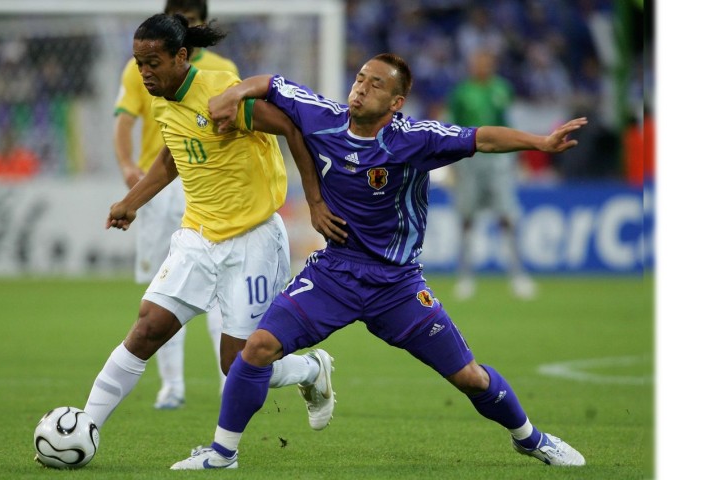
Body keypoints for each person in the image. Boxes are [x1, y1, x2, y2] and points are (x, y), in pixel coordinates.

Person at [170, 53, 587, 469]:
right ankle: (222, 454)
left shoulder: (414, 140)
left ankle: (532, 439)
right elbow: (273, 83)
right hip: (335, 272)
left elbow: (481, 138)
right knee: (258, 347)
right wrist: (237, 92)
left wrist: (540, 142)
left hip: (397, 285)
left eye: (376, 84)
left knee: (470, 377)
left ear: (396, 102)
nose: (361, 88)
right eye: (360, 78)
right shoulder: (324, 117)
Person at [83, 14, 348, 437]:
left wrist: (314, 201)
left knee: (237, 364)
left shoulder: (221, 93)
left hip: (253, 240)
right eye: (138, 63)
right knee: (148, 326)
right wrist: (131, 203)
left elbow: (290, 128)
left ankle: (310, 368)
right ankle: (84, 428)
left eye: (153, 62)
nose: (144, 72)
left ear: (181, 56)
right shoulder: (160, 100)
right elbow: (174, 153)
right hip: (197, 237)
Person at [112, 0, 239, 411]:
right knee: (164, 289)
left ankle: (228, 382)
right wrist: (128, 165)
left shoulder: (221, 70)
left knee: (221, 291)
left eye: (192, 24)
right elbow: (125, 120)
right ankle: (173, 386)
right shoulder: (142, 68)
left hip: (207, 184)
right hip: (159, 186)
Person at [447, 49, 535, 300]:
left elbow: (510, 124)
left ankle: (517, 275)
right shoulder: (461, 92)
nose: (481, 66)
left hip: (498, 161)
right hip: (469, 161)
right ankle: (465, 277)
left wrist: (519, 158)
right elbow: (452, 128)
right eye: (477, 61)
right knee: (466, 218)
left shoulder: (502, 89)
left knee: (506, 216)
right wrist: (452, 165)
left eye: (486, 61)